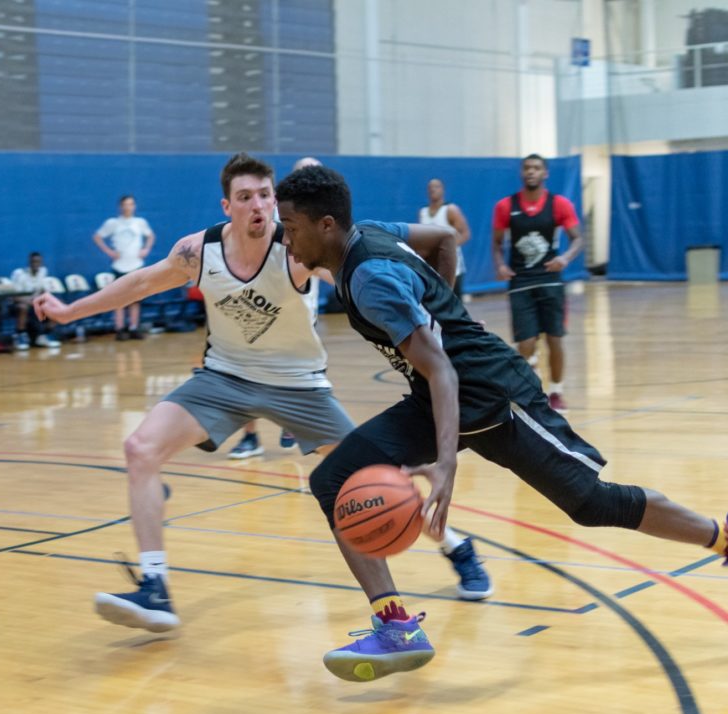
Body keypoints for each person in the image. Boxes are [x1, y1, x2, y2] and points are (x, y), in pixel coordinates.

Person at [275, 164, 728, 683]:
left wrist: (445, 460)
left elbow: (444, 368)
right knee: (331, 480)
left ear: (328, 224)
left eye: (290, 227)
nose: (285, 240)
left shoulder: (369, 278)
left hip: (491, 394)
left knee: (592, 503)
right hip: (440, 397)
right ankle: (396, 625)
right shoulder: (374, 233)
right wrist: (443, 306)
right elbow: (444, 240)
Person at [34, 153, 491, 637]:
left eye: (267, 196)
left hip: (300, 386)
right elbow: (141, 282)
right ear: (227, 205)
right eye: (247, 197)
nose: (259, 206)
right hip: (224, 379)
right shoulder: (200, 251)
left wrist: (438, 317)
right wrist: (68, 313)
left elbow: (365, 273)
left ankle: (455, 546)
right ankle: (154, 587)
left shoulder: (296, 248)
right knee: (139, 448)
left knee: (379, 482)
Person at [228, 156, 323, 459]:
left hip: (300, 309)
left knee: (292, 374)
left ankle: (291, 422)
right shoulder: (275, 212)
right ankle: (251, 437)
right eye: (304, 174)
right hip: (262, 305)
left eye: (315, 174)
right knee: (245, 370)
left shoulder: (327, 220)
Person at [492, 154, 582, 413]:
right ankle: (529, 384)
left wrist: (564, 258)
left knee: (555, 339)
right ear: (522, 173)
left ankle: (556, 391)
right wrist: (500, 264)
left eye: (536, 168)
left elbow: (577, 239)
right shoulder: (505, 206)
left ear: (546, 174)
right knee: (525, 343)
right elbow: (497, 243)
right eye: (527, 168)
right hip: (520, 281)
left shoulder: (559, 204)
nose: (531, 171)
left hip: (550, 280)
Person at [92, 195, 156, 340]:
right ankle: (120, 329)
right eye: (125, 204)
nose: (128, 207)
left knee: (135, 299)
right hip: (119, 266)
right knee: (119, 299)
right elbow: (97, 236)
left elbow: (151, 236)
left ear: (134, 206)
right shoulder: (113, 223)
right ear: (121, 207)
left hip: (136, 266)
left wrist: (146, 249)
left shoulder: (140, 222)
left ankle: (133, 327)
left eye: (131, 204)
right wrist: (109, 251)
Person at [419, 178, 471, 299]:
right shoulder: (423, 212)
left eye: (436, 186)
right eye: (430, 187)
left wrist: (447, 248)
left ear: (443, 190)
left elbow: (465, 233)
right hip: (432, 267)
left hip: (453, 267)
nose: (433, 189)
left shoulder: (450, 210)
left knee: (454, 305)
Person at [10, 251, 60, 350]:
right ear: (29, 262)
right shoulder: (20, 274)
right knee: (22, 307)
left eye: (38, 262)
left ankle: (45, 335)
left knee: (57, 305)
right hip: (19, 303)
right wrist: (31, 302)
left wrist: (51, 301)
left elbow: (44, 291)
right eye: (34, 262)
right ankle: (20, 336)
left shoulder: (43, 272)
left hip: (35, 303)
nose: (36, 264)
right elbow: (14, 297)